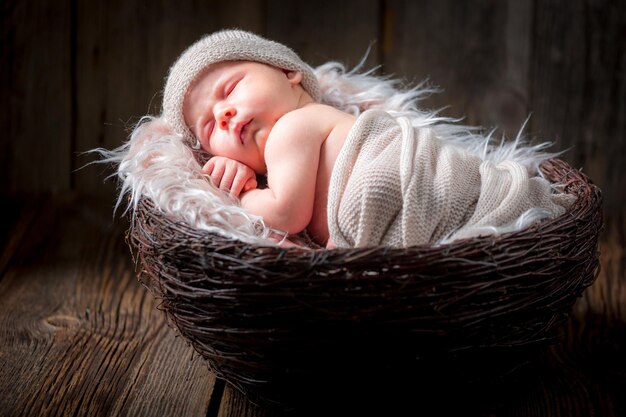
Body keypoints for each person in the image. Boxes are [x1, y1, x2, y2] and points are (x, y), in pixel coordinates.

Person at [114, 29, 573, 249]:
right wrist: (251, 178)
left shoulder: (294, 127)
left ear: (289, 73)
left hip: (414, 185)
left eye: (230, 89)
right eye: (211, 126)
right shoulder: (285, 152)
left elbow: (284, 215)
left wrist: (244, 195)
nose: (225, 112)